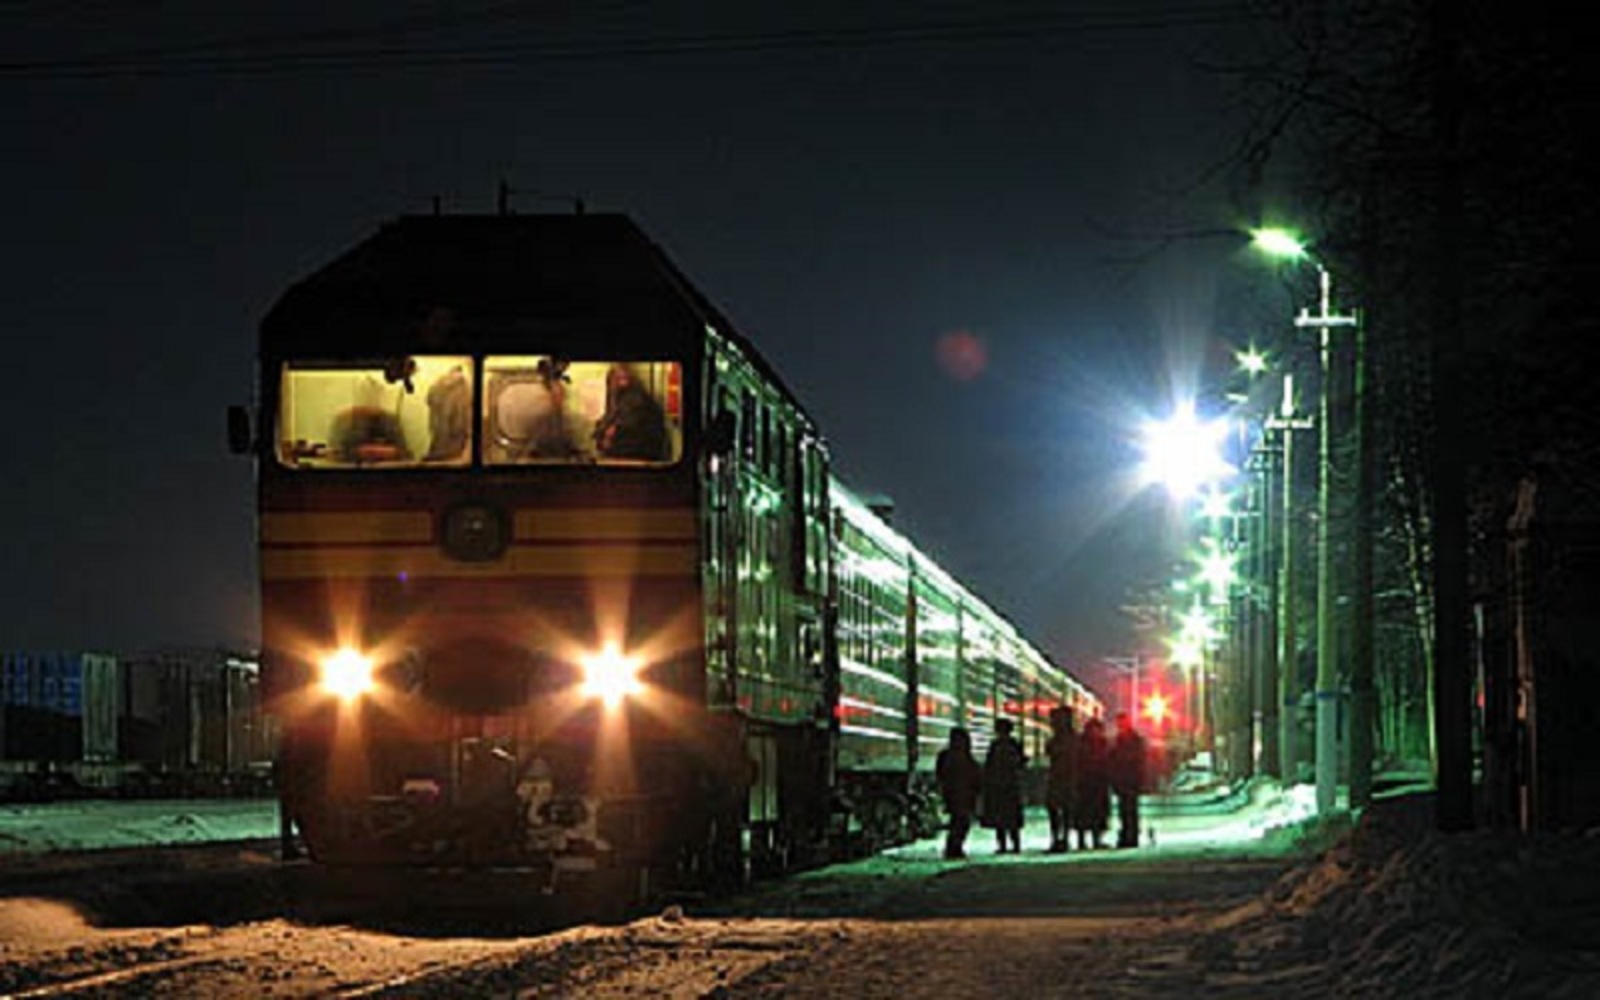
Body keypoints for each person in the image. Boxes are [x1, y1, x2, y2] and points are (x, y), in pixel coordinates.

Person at [593, 363, 669, 460]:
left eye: (621, 377)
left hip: (635, 452)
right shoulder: (620, 399)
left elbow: (627, 422)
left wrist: (610, 433)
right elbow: (611, 418)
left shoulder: (636, 398)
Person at [935, 727, 982, 860]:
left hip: (952, 793)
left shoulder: (945, 756)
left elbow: (940, 774)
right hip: (964, 794)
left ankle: (953, 847)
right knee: (961, 822)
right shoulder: (966, 757)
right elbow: (975, 774)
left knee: (957, 821)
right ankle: (954, 848)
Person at [982, 718, 1027, 854]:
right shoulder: (1014, 745)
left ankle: (1002, 845)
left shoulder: (995, 746)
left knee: (1000, 819)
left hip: (998, 785)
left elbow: (989, 765)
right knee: (1012, 818)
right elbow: (1021, 762)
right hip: (1011, 785)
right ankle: (1016, 844)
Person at [1110, 711, 1148, 849]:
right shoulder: (1128, 739)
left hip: (1129, 780)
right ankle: (1128, 834)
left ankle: (1130, 835)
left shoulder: (1129, 740)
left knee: (1129, 809)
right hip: (1126, 781)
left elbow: (1136, 760)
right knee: (1126, 810)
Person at [1044, 706, 1079, 853]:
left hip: (1064, 777)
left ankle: (1060, 838)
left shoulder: (1064, 739)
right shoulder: (1071, 738)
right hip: (1062, 777)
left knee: (1061, 809)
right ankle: (1060, 837)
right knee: (1059, 809)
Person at [1074, 715, 1111, 850]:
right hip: (1088, 782)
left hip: (1095, 782)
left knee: (1094, 813)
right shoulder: (1099, 743)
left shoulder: (1085, 743)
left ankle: (1095, 839)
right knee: (1088, 812)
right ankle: (1083, 840)